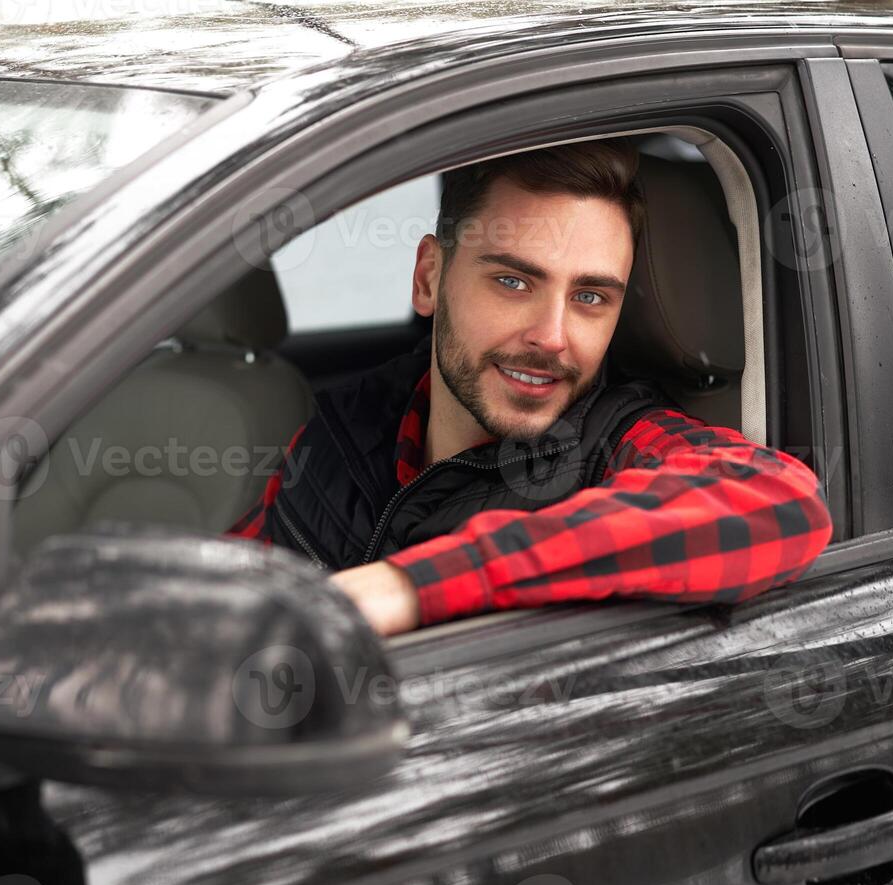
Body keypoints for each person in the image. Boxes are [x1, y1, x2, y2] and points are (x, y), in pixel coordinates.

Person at [231, 138, 831, 636]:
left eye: (590, 297)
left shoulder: (617, 448)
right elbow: (231, 590)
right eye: (514, 282)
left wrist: (409, 586)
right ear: (428, 278)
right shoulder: (343, 427)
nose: (552, 336)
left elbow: (776, 503)